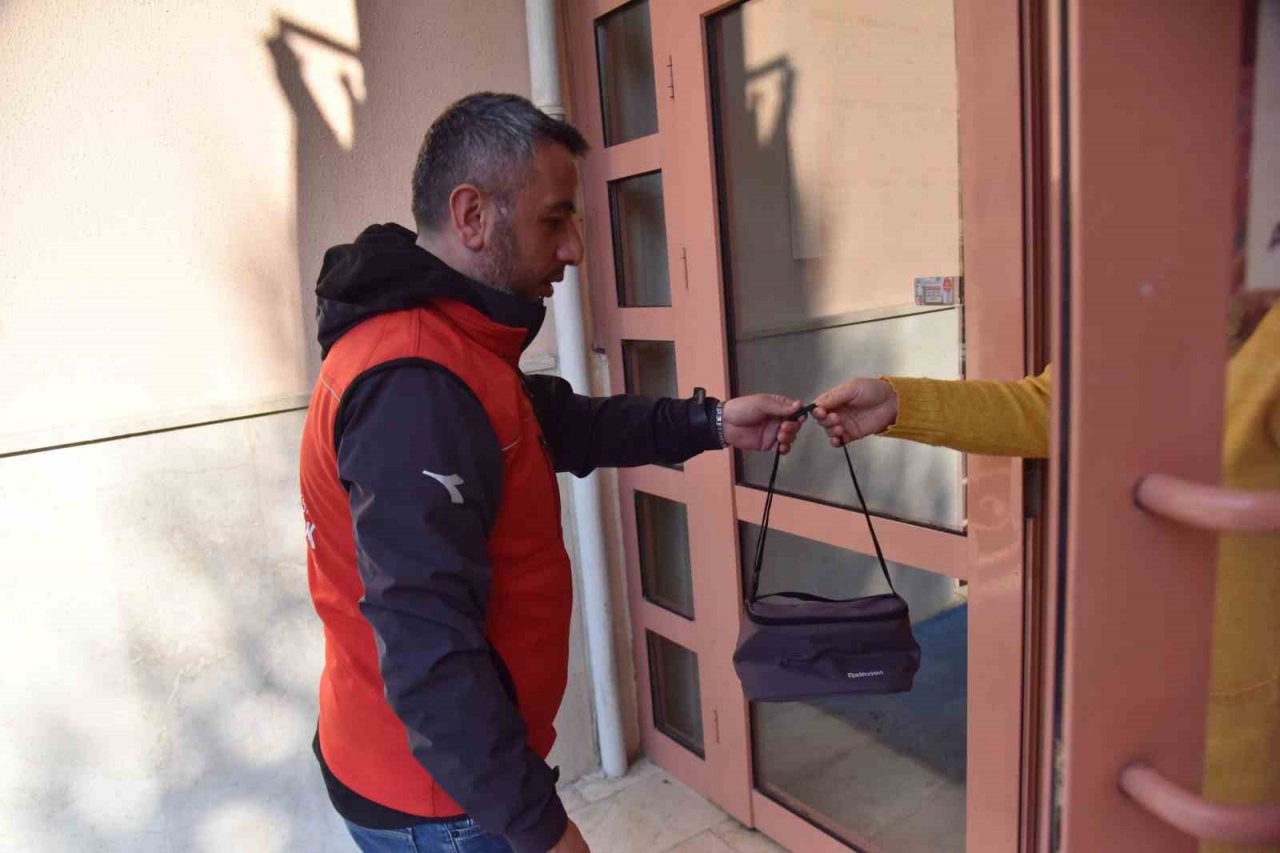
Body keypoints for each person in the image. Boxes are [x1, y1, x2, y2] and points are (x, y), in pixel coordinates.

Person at [298, 92, 804, 853]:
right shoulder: (414, 382)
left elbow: (560, 423)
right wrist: (542, 829)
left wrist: (712, 422)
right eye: (554, 219)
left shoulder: (451, 345)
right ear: (472, 215)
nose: (573, 249)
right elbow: (430, 652)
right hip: (439, 802)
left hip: (442, 782)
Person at [813, 295, 1280, 853]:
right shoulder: (1165, 288)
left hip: (1241, 691)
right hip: (1121, 664)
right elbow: (1053, 403)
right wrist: (897, 402)